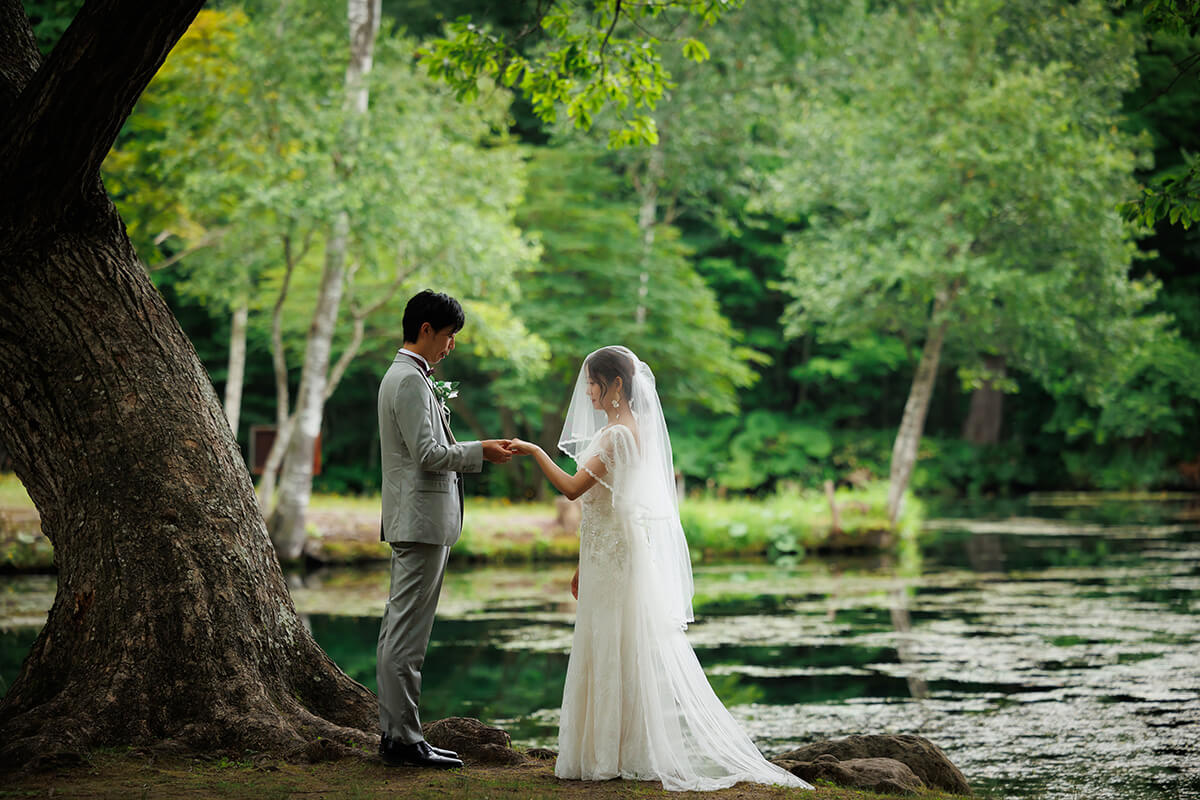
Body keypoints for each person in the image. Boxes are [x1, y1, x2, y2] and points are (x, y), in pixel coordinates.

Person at [509, 346, 811, 792]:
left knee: (613, 645)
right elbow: (606, 505)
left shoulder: (617, 436)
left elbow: (573, 490)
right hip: (604, 553)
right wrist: (579, 564)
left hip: (614, 558)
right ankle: (612, 752)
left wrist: (534, 450)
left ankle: (609, 755)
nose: (587, 391)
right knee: (611, 644)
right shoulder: (627, 430)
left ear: (615, 385)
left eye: (593, 382)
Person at [376, 290, 515, 769]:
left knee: (400, 630)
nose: (451, 345)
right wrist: (481, 451)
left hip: (419, 520)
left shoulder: (409, 376)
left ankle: (399, 733)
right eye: (449, 335)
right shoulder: (410, 381)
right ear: (426, 330)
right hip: (420, 521)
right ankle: (404, 740)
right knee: (406, 637)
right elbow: (429, 456)